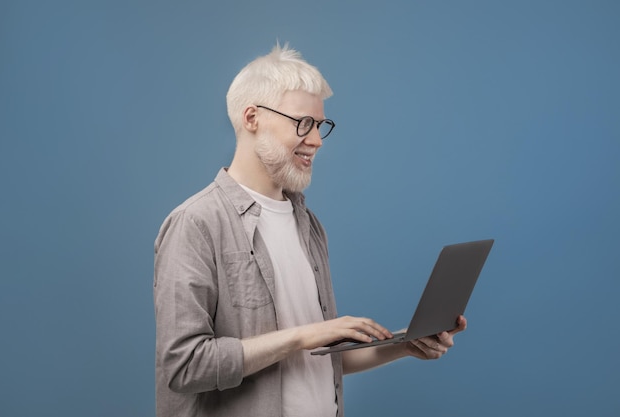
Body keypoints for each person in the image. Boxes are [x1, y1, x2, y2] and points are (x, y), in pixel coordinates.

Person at [153, 43, 467, 417]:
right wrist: (303, 335)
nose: (316, 140)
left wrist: (403, 345)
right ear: (251, 118)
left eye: (320, 125)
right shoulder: (196, 223)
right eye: (303, 123)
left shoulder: (308, 225)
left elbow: (318, 360)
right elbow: (184, 365)